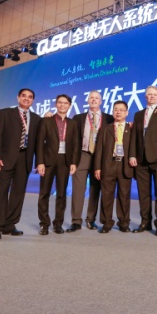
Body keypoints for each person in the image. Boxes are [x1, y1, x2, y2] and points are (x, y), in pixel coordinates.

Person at [0, 88, 41, 240]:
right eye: (23, 96)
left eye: (30, 97)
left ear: (33, 100)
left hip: (25, 159)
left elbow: (38, 143)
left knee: (18, 193)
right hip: (5, 159)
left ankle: (9, 225)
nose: (26, 99)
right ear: (18, 98)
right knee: (2, 191)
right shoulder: (5, 113)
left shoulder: (36, 119)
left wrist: (38, 162)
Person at [129, 85, 157, 236]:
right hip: (141, 159)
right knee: (143, 193)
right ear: (145, 96)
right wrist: (132, 155)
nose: (152, 96)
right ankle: (145, 222)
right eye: (149, 94)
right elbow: (134, 137)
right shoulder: (138, 114)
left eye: (154, 94)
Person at [67, 90, 113, 232]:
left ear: (101, 101)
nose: (93, 100)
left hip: (100, 158)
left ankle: (90, 220)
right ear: (87, 100)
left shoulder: (109, 118)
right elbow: (71, 137)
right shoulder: (78, 118)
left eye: (96, 98)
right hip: (82, 155)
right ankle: (76, 221)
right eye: (91, 98)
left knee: (95, 189)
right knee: (78, 189)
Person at [36, 94, 80, 235]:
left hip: (64, 162)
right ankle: (44, 224)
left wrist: (74, 163)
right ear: (56, 104)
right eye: (60, 102)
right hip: (48, 161)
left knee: (61, 194)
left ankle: (58, 224)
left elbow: (75, 145)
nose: (62, 105)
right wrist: (40, 162)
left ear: (69, 105)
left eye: (65, 103)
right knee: (44, 193)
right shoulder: (46, 121)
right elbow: (39, 143)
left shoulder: (72, 123)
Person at [93, 100, 134, 233]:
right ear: (112, 112)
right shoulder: (106, 128)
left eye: (121, 110)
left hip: (125, 165)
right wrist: (97, 167)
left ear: (127, 113)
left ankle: (124, 223)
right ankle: (106, 222)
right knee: (106, 195)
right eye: (116, 109)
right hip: (108, 164)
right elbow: (99, 149)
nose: (118, 112)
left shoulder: (131, 129)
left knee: (124, 196)